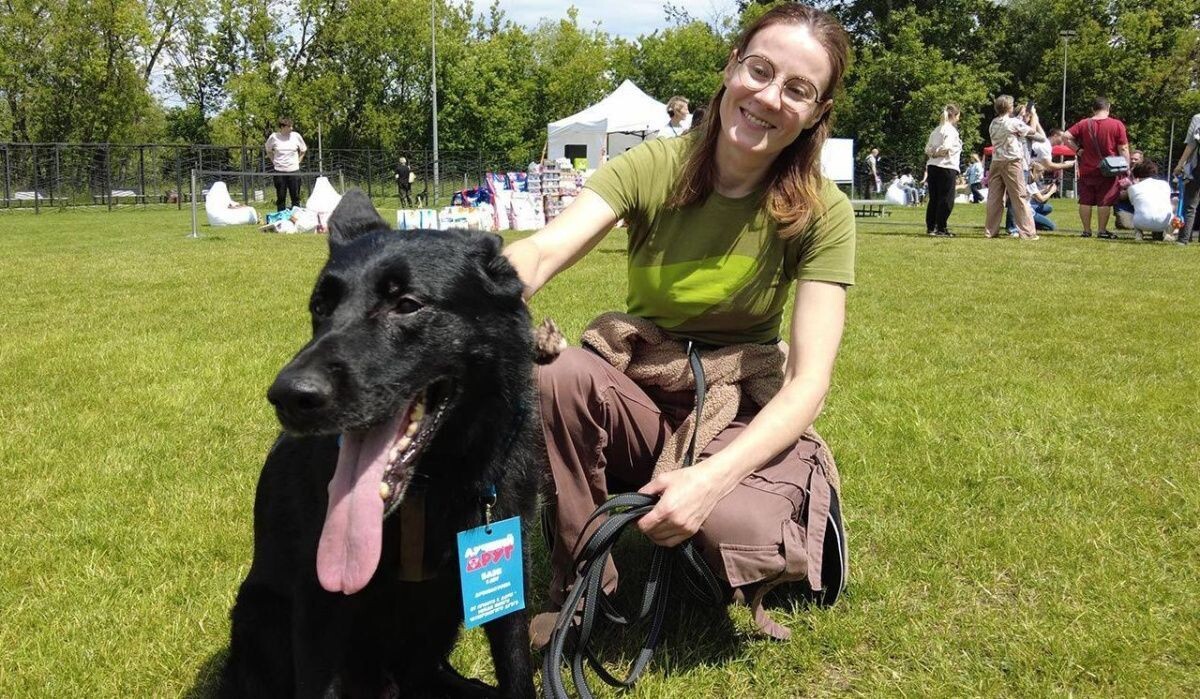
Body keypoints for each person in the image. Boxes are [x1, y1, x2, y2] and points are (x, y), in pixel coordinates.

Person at [503, 3, 853, 643]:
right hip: (639, 390)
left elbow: (808, 382)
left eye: (798, 89)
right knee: (550, 372)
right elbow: (544, 249)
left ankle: (788, 505)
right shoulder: (652, 165)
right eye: (760, 69)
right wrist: (469, 292)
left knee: (734, 534)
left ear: (817, 113)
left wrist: (710, 480)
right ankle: (582, 584)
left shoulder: (822, 210)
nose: (769, 97)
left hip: (736, 402)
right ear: (731, 67)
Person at [1052, 97, 1130, 239]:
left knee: (1085, 200)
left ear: (1093, 109)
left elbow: (1065, 137)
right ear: (1108, 107)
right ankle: (1102, 231)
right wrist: (1127, 166)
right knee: (1104, 200)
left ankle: (1086, 231)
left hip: (1087, 168)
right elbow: (1123, 148)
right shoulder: (1117, 125)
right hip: (1109, 169)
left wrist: (1077, 150)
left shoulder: (1084, 124)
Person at [985, 95, 1043, 240]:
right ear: (1009, 107)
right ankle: (1028, 232)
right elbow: (1033, 133)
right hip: (1012, 162)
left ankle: (990, 231)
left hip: (996, 161)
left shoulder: (993, 123)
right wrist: (1033, 115)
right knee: (1019, 197)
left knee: (994, 198)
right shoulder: (1013, 123)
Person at [924, 104, 963, 236]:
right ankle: (941, 227)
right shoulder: (951, 131)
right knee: (946, 199)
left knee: (934, 198)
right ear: (956, 116)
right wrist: (938, 153)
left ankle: (931, 227)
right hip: (946, 166)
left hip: (932, 166)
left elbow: (927, 148)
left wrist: (932, 153)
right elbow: (946, 147)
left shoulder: (936, 130)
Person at [265, 118, 307, 212]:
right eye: (289, 126)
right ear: (282, 127)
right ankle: (281, 219)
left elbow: (303, 150)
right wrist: (274, 161)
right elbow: (268, 150)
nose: (291, 128)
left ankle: (296, 217)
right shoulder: (274, 137)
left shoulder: (296, 136)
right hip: (279, 172)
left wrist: (298, 161)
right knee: (281, 197)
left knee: (295, 196)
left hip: (294, 171)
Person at [1125, 160, 1175, 239]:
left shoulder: (1132, 188)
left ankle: (1139, 234)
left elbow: (1133, 203)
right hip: (1164, 222)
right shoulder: (1164, 184)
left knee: (1137, 209)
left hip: (1141, 222)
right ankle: (1168, 233)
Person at [1172, 111, 1200, 245]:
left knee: (1190, 203)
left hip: (1197, 167)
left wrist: (1180, 164)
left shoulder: (1198, 118)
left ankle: (1183, 239)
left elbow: (1191, 144)